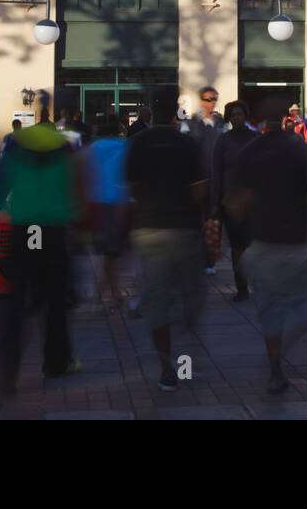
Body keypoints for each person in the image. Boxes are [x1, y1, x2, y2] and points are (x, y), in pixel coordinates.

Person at [229, 94, 307, 394]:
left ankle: (275, 368)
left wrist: (233, 237)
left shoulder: (249, 151)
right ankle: (277, 363)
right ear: (286, 116)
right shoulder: (296, 148)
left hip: (262, 245)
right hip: (292, 245)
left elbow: (236, 205)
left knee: (270, 311)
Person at [0, 90, 84, 393]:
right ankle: (56, 364)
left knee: (16, 299)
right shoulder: (64, 147)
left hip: (24, 229)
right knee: (55, 300)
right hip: (53, 230)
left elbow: (0, 181)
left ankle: (7, 367)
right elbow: (75, 187)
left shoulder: (18, 144)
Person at [126, 96, 208, 391]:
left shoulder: (138, 142)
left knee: (158, 301)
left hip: (149, 230)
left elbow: (131, 187)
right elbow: (200, 193)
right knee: (191, 297)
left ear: (150, 113)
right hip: (183, 229)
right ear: (176, 113)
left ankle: (166, 369)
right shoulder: (187, 144)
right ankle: (186, 355)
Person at [212, 100, 259, 301]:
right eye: (233, 114)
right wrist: (215, 203)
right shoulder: (223, 141)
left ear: (245, 116)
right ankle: (241, 287)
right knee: (238, 246)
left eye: (240, 114)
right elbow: (216, 173)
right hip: (231, 202)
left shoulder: (256, 138)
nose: (236, 117)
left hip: (254, 200)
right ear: (229, 118)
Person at [81, 114, 130, 307]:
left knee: (109, 250)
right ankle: (109, 291)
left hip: (97, 202)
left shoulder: (92, 149)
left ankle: (107, 290)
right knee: (115, 250)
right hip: (118, 202)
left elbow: (85, 174)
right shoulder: (124, 147)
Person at [182, 86, 225, 274]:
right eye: (207, 99)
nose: (211, 102)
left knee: (214, 222)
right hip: (196, 181)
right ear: (201, 101)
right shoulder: (190, 124)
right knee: (196, 221)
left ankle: (209, 261)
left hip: (216, 181)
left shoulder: (222, 124)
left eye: (214, 99)